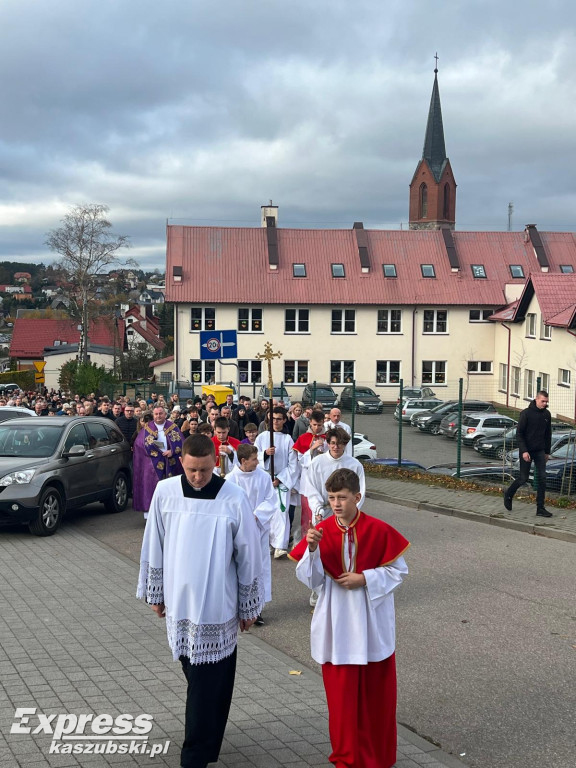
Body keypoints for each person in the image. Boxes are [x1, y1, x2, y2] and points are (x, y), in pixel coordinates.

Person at [137, 435, 264, 768]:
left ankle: (194, 754)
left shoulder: (233, 497)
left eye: (205, 470)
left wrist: (249, 605)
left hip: (217, 605)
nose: (198, 477)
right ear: (182, 462)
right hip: (179, 602)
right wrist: (156, 592)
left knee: (206, 684)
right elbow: (155, 543)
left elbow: (249, 554)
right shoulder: (165, 492)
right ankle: (208, 742)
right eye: (192, 470)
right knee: (202, 680)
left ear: (215, 462)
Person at [290, 468, 409, 768]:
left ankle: (378, 758)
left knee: (375, 700)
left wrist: (365, 578)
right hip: (337, 624)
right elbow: (310, 579)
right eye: (331, 498)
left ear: (357, 497)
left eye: (342, 498)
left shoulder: (379, 530)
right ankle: (346, 757)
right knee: (342, 702)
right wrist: (313, 549)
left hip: (371, 625)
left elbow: (399, 571)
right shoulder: (322, 531)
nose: (336, 504)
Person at [226, 443, 280, 624]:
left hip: (258, 530)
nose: (258, 462)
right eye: (254, 459)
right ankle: (236, 606)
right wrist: (243, 518)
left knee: (260, 568)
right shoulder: (231, 478)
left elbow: (271, 500)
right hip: (238, 531)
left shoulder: (263, 477)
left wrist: (256, 516)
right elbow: (227, 504)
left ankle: (256, 609)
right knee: (238, 567)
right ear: (243, 461)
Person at [255, 407, 299, 558]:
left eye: (279, 419)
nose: (276, 422)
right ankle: (266, 543)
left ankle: (280, 545)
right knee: (266, 513)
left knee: (281, 512)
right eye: (273, 419)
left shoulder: (287, 440)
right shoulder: (262, 437)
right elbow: (255, 457)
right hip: (265, 480)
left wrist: (279, 479)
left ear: (284, 420)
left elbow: (293, 464)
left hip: (281, 481)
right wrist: (265, 454)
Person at [504, 390, 553, 517]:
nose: (545, 404)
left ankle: (540, 508)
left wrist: (547, 452)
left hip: (540, 451)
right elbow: (519, 434)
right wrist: (524, 450)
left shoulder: (547, 414)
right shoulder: (526, 414)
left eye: (546, 402)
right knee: (523, 478)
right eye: (543, 401)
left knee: (542, 478)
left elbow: (548, 435)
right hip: (527, 450)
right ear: (536, 399)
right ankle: (508, 494)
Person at [132, 405, 184, 520]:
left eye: (161, 413)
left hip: (171, 463)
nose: (158, 416)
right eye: (156, 414)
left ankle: (171, 514)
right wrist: (154, 452)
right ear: (153, 415)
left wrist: (172, 451)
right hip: (152, 465)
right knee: (152, 488)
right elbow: (138, 445)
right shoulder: (147, 429)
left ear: (165, 415)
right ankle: (150, 516)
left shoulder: (173, 427)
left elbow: (181, 443)